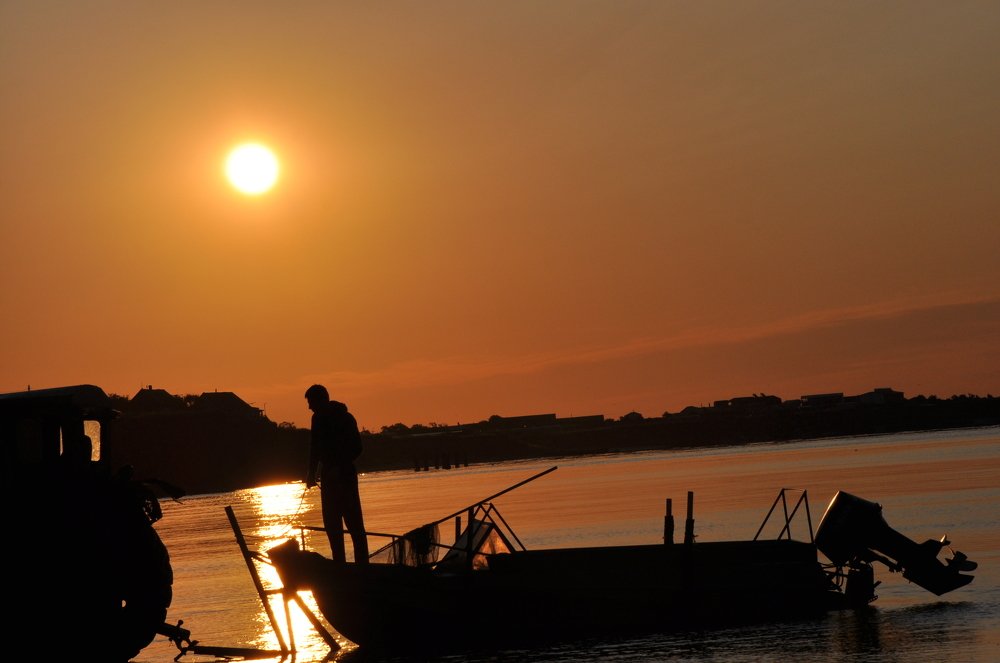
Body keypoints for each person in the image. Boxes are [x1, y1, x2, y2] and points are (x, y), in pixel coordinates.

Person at [304, 384, 369, 563]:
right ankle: (339, 566)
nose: (309, 407)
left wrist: (338, 467)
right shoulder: (316, 419)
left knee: (354, 524)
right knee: (332, 526)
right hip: (328, 478)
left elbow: (357, 448)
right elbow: (314, 448)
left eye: (311, 402)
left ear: (321, 400)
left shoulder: (346, 418)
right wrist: (311, 473)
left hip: (345, 475)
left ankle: (362, 567)